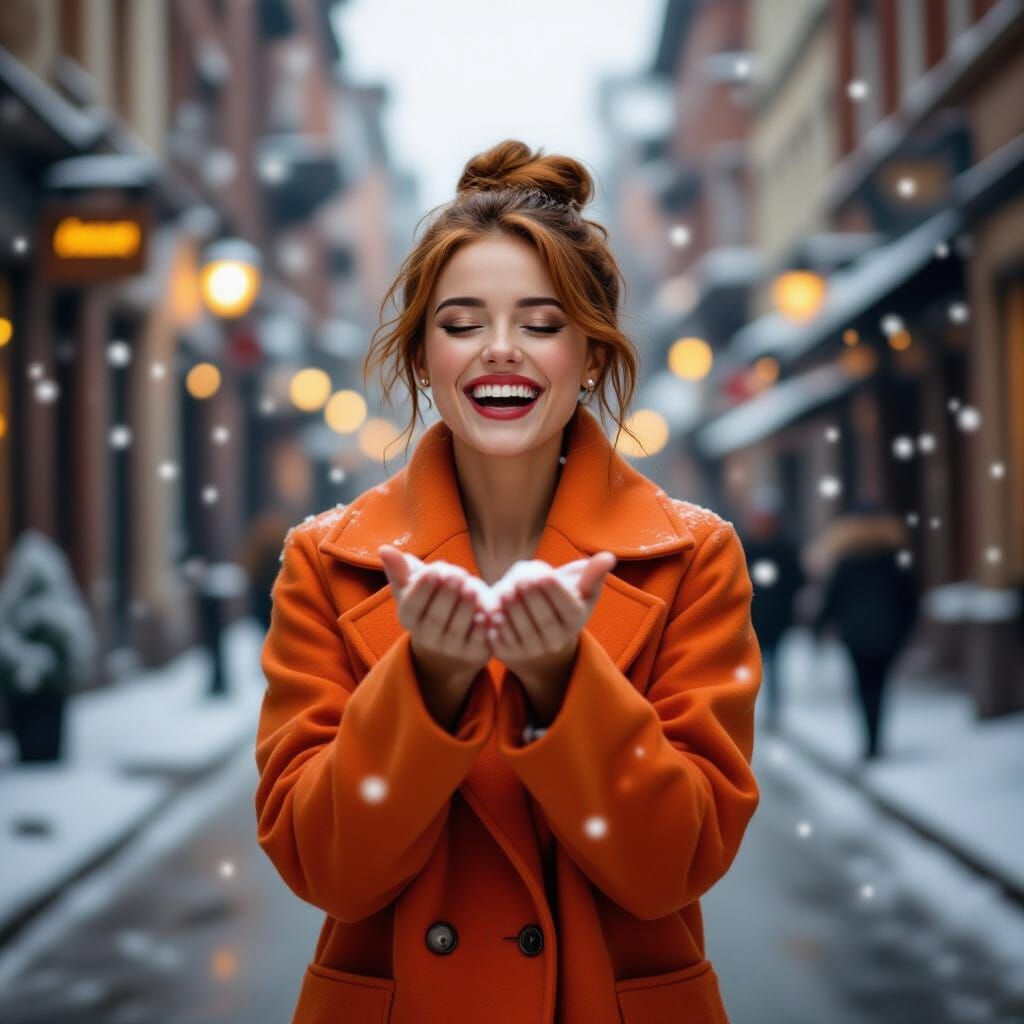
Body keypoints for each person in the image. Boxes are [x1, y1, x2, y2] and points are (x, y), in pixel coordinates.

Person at [254, 139, 761, 1024]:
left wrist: (567, 685)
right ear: (420, 357)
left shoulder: (695, 557)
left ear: (593, 354)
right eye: (460, 324)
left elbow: (672, 866)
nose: (499, 352)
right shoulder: (323, 562)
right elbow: (325, 867)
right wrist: (429, 687)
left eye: (540, 322)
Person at [807, 500, 920, 761]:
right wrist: (905, 631)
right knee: (881, 686)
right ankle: (877, 738)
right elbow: (909, 599)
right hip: (887, 634)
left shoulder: (847, 562)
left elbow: (833, 599)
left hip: (855, 635)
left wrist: (819, 627)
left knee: (862, 687)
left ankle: (869, 742)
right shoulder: (894, 560)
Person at [738, 486, 806, 732]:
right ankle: (749, 712)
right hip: (751, 619)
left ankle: (774, 712)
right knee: (751, 669)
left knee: (775, 668)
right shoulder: (744, 547)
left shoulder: (785, 549)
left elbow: (798, 580)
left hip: (776, 619)